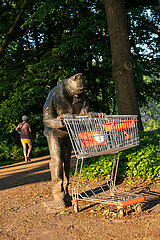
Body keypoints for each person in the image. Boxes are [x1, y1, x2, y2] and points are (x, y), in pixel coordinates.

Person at [43, 73, 89, 209]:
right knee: (57, 160)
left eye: (80, 93)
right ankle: (58, 195)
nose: (77, 96)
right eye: (75, 93)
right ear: (69, 87)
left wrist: (87, 115)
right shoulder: (55, 94)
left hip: (68, 132)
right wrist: (62, 122)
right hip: (54, 132)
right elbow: (46, 118)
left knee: (67, 162)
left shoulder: (81, 94)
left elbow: (84, 111)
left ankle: (66, 192)